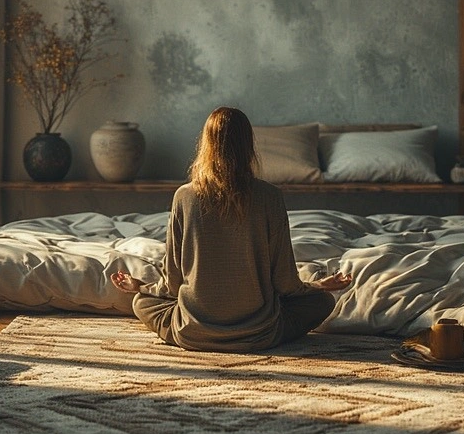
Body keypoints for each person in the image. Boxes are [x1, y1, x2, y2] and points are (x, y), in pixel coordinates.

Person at [110, 106, 352, 352]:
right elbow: (285, 283)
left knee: (141, 302)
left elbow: (172, 284)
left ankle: (202, 333)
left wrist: (140, 287)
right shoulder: (270, 196)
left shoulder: (184, 196)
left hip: (193, 332)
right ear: (248, 146)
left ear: (206, 145)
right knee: (322, 302)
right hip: (259, 334)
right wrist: (317, 286)